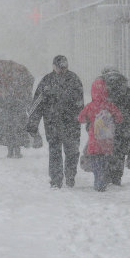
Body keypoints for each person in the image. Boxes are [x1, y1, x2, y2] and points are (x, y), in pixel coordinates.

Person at [27, 55, 84, 188]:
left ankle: (66, 177)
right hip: (63, 124)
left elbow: (37, 104)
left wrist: (33, 124)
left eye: (63, 67)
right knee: (62, 151)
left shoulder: (49, 81)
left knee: (66, 152)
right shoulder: (71, 80)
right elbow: (37, 104)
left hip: (58, 123)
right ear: (54, 66)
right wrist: (32, 125)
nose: (61, 70)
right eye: (60, 67)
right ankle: (59, 179)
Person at [78, 77, 123, 191]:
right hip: (107, 141)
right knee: (104, 162)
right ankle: (102, 180)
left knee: (96, 163)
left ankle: (98, 181)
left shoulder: (90, 106)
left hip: (94, 141)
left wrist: (90, 119)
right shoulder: (109, 105)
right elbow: (119, 118)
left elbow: (80, 118)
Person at [100, 66, 130, 185]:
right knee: (120, 152)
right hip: (124, 125)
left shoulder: (101, 88)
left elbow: (97, 107)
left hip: (106, 124)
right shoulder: (127, 89)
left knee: (106, 150)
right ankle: (117, 176)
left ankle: (106, 175)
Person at [0, 87, 31, 158]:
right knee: (16, 128)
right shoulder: (20, 81)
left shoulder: (0, 82)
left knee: (10, 128)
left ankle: (12, 150)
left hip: (7, 108)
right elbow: (27, 96)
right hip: (15, 108)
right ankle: (15, 150)